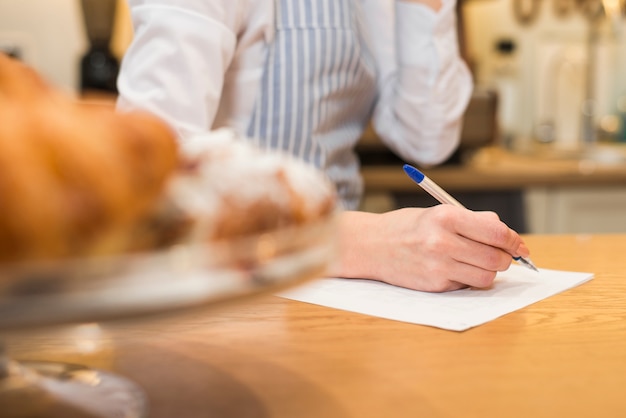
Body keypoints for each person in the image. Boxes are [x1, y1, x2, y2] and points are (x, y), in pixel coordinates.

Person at [116, 0, 531, 292]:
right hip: (233, 284)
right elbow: (149, 177)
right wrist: (359, 243)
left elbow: (426, 137)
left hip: (347, 290)